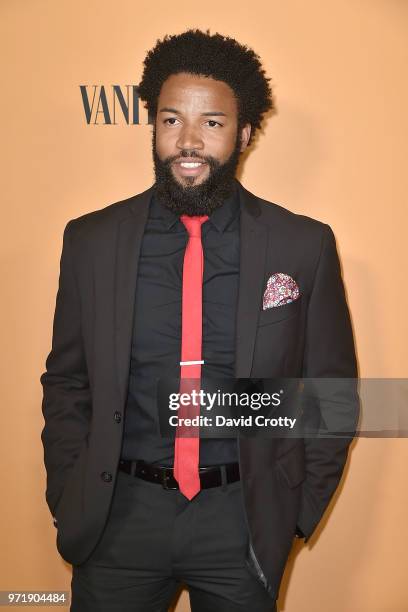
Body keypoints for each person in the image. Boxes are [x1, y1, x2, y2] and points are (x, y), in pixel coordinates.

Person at [40, 28, 359, 611]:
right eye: (170, 121)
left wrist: (296, 506)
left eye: (211, 122)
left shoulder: (302, 245)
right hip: (119, 522)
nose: (188, 142)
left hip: (241, 524)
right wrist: (69, 490)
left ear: (245, 132)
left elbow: (336, 391)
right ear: (153, 127)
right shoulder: (90, 240)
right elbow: (67, 380)